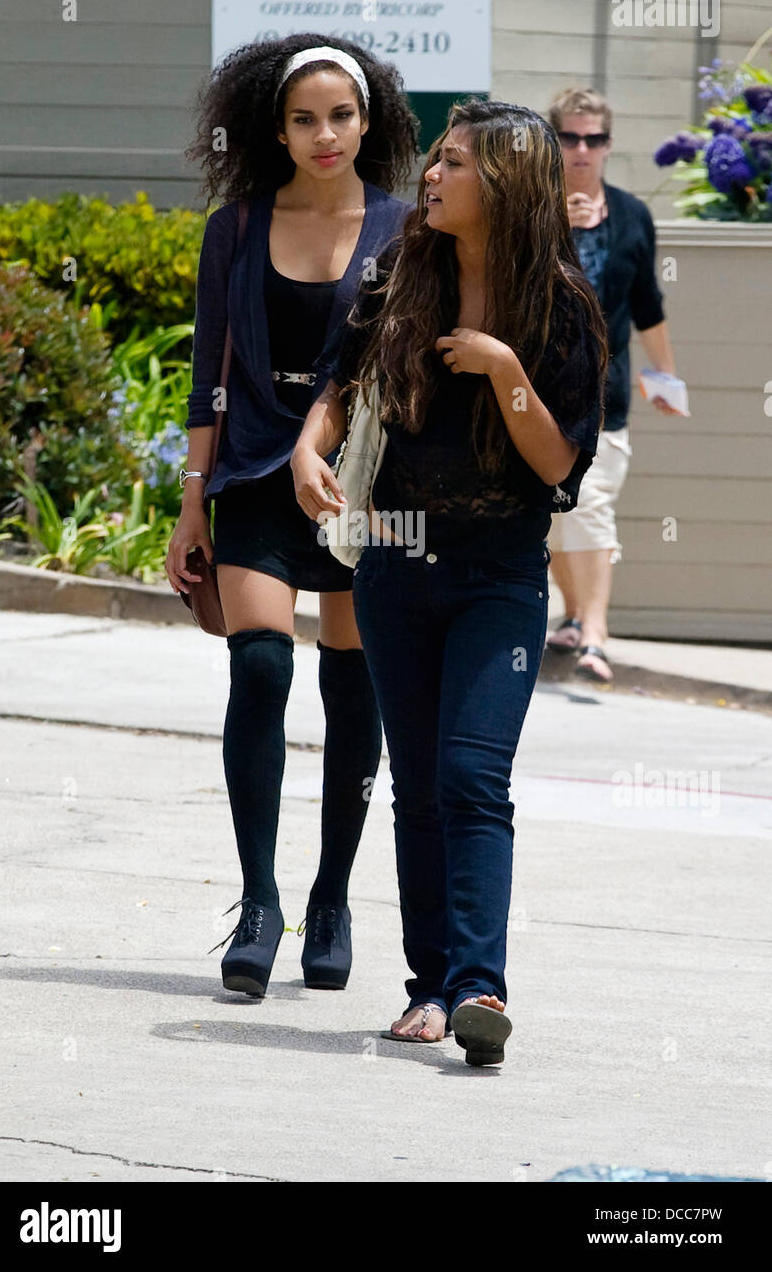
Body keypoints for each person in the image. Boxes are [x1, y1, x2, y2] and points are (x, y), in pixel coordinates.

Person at [291, 99, 608, 1065]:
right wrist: (312, 450)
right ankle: (429, 988)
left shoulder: (558, 307)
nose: (433, 176)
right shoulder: (402, 274)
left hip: (497, 574)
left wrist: (505, 367)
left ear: (504, 184)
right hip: (392, 560)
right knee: (419, 789)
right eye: (436, 161)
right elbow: (340, 387)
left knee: (473, 777)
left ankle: (480, 986)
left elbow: (560, 467)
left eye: (457, 163)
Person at [165, 35, 417, 998]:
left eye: (341, 117)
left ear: (368, 121)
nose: (324, 135)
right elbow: (206, 381)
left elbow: (395, 370)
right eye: (304, 119)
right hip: (253, 481)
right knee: (261, 664)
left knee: (353, 688)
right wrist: (192, 501)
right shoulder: (233, 229)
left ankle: (335, 897)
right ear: (275, 127)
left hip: (359, 486)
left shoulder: (403, 229)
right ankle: (260, 899)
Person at [545, 87, 681, 682]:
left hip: (609, 393)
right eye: (571, 137)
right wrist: (553, 231)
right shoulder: (535, 210)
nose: (582, 150)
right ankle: (574, 615)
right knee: (554, 514)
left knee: (592, 506)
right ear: (555, 141)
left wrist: (666, 376)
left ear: (607, 145)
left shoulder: (631, 214)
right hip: (539, 391)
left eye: (593, 139)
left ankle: (595, 632)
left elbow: (648, 305)